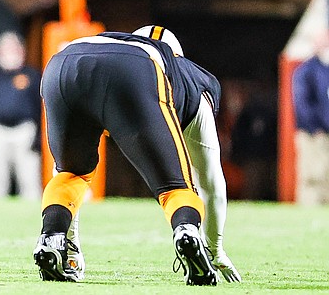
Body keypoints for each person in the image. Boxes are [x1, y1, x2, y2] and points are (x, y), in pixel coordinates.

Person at [34, 25, 240, 285]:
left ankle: (51, 237)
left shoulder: (109, 42)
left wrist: (69, 243)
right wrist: (214, 248)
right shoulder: (189, 76)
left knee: (71, 174)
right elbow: (211, 182)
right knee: (176, 186)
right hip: (132, 71)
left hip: (62, 62)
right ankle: (186, 231)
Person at [0, 31, 42, 200]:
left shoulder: (32, 76)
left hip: (25, 131)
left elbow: (40, 108)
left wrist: (39, 138)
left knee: (28, 177)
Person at [291, 32, 329, 205]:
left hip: (325, 132)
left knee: (326, 175)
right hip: (312, 134)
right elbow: (302, 103)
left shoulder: (324, 69)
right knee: (312, 174)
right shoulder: (307, 70)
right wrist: (316, 127)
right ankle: (308, 208)